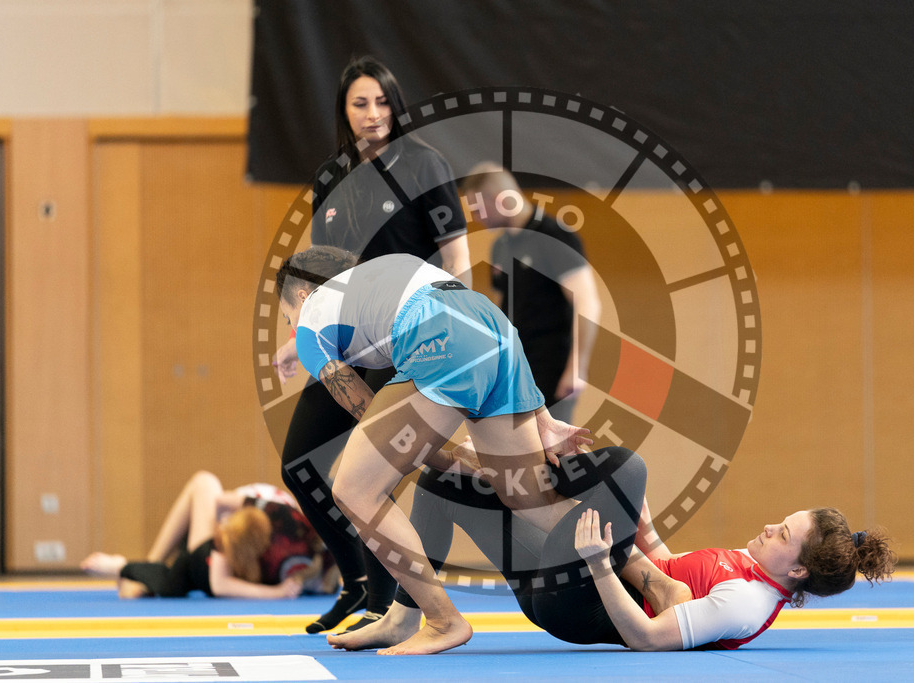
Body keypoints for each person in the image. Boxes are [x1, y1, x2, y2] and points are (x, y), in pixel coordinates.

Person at [275, 245, 593, 654]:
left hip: (441, 334)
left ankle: (443, 620)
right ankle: (655, 576)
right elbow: (467, 317)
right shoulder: (382, 274)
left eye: (288, 318)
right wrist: (542, 420)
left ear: (301, 296)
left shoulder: (311, 326)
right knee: (532, 500)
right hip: (493, 325)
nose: (293, 326)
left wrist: (455, 458)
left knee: (355, 488)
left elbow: (373, 420)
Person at [329, 444, 898, 652]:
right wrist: (638, 526)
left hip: (578, 603)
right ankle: (413, 614)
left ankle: (527, 461)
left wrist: (603, 562)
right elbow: (667, 571)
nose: (772, 526)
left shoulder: (747, 603)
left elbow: (649, 637)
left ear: (797, 568)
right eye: (782, 520)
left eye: (784, 534)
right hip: (574, 578)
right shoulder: (747, 567)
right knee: (443, 486)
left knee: (629, 466)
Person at [271, 55, 471, 634]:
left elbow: (456, 255)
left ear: (395, 104)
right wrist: (298, 337)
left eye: (382, 102)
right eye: (361, 103)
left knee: (370, 476)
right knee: (300, 465)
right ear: (345, 110)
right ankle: (357, 583)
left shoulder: (425, 165)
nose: (373, 113)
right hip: (346, 345)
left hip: (409, 339)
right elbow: (320, 273)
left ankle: (387, 601)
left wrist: (450, 320)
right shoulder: (331, 176)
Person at [460, 164, 600, 422]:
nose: (476, 218)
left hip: (550, 366)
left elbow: (587, 302)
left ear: (502, 200)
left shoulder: (555, 236)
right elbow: (503, 306)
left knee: (550, 453)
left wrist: (576, 368)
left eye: (478, 209)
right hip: (515, 369)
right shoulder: (501, 245)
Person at [81, 471, 334, 599]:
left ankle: (144, 569)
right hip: (227, 538)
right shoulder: (275, 511)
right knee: (206, 483)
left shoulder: (300, 534)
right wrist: (276, 593)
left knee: (204, 481)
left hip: (232, 548)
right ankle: (150, 564)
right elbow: (220, 506)